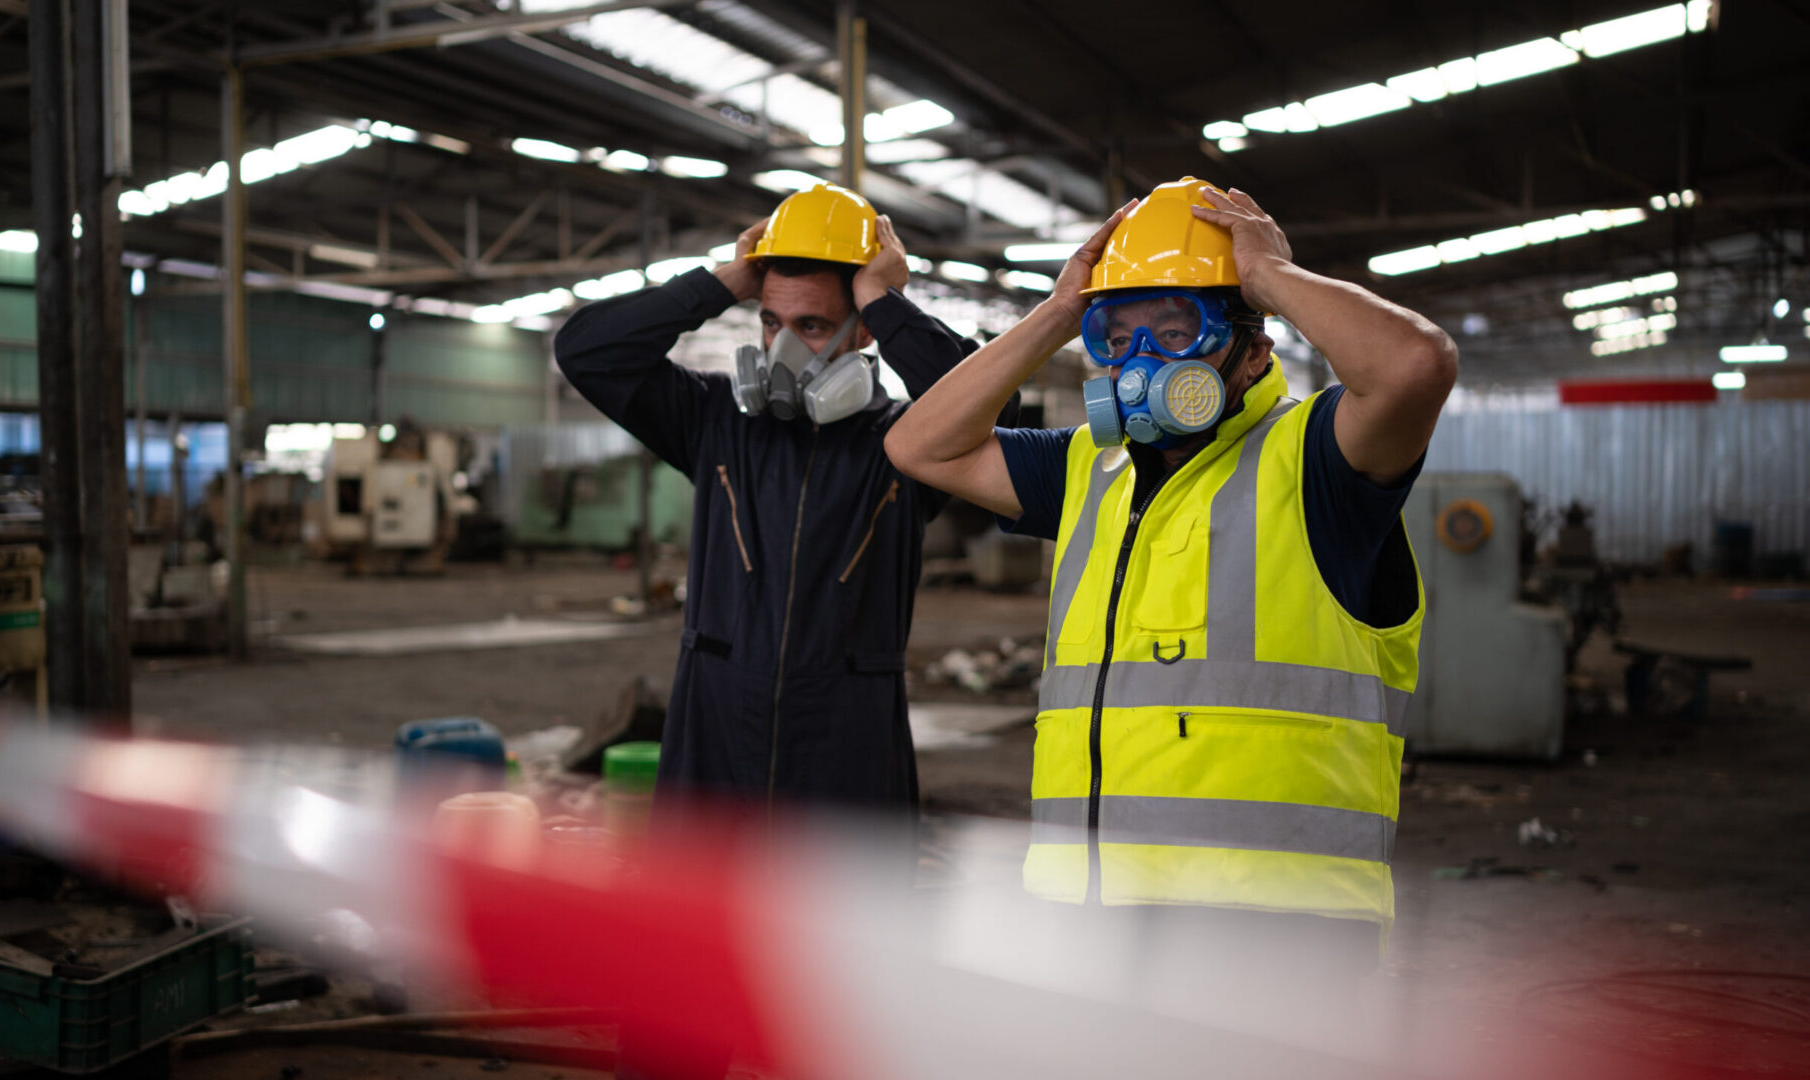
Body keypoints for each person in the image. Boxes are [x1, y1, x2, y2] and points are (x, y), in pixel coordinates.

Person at [882, 176, 1457, 1023]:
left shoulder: (1318, 464)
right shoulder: (1087, 468)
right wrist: (1052, 314)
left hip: (1272, 934)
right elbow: (917, 445)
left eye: (1176, 328)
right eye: (1118, 334)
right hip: (1093, 912)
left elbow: (1416, 364)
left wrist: (1272, 278)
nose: (1141, 360)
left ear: (1252, 348)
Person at [555, 182, 1007, 819]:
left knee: (841, 920)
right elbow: (586, 352)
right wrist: (721, 283)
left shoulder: (911, 445)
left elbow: (997, 410)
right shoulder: (712, 419)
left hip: (846, 751)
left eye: (812, 326)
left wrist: (888, 302)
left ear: (861, 334)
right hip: (713, 743)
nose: (782, 349)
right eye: (771, 322)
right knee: (706, 917)